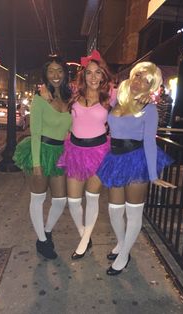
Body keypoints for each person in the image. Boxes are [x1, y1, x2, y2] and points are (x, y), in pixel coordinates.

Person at [97, 61, 176, 276]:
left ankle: (123, 255)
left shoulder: (148, 109)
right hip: (115, 158)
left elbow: (150, 142)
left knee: (133, 213)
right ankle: (123, 244)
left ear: (152, 87)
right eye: (138, 76)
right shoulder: (117, 99)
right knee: (114, 211)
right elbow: (99, 93)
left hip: (137, 159)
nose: (140, 82)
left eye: (147, 81)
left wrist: (152, 175)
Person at [57, 50, 115, 259]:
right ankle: (85, 234)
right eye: (89, 72)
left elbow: (131, 103)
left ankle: (83, 243)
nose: (93, 77)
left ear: (103, 75)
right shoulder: (73, 94)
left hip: (100, 151)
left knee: (92, 198)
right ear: (83, 75)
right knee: (73, 201)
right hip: (75, 150)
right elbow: (54, 93)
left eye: (97, 73)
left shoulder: (111, 96)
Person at [13, 55, 72, 259]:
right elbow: (35, 132)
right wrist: (36, 163)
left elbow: (72, 129)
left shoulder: (68, 99)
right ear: (45, 74)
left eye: (59, 71)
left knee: (60, 199)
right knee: (37, 199)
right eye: (51, 71)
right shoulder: (39, 98)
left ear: (65, 73)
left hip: (59, 153)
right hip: (40, 148)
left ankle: (46, 231)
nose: (55, 75)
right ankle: (43, 241)